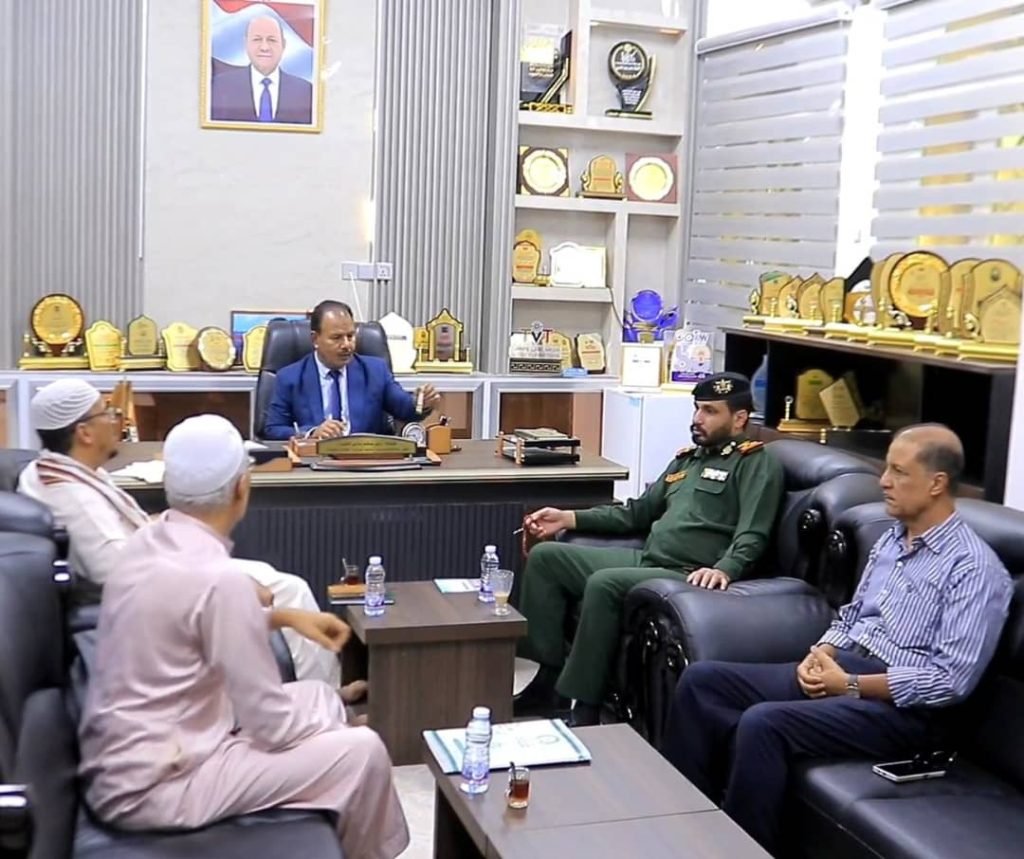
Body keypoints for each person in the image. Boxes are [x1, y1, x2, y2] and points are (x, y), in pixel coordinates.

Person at [662, 424, 1012, 855]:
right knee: (704, 683)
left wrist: (849, 685)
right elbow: (852, 616)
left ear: (937, 483)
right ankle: (679, 828)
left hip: (905, 710)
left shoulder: (974, 569)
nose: (884, 482)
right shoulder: (891, 540)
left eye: (899, 472)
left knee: (765, 723)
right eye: (886, 469)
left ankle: (738, 850)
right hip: (846, 668)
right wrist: (823, 651)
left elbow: (948, 682)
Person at [78, 415, 409, 857]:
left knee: (319, 697)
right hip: (159, 785)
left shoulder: (147, 541)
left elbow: (184, 622)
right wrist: (326, 729)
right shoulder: (221, 580)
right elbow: (271, 725)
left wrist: (282, 620)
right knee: (362, 751)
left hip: (132, 756)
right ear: (242, 488)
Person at [18, 378, 358, 701]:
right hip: (152, 599)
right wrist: (221, 578)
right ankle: (320, 702)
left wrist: (165, 527)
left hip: (166, 569)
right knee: (288, 590)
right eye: (106, 412)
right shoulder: (70, 495)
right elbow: (124, 574)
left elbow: (126, 535)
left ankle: (320, 697)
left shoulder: (63, 471)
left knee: (274, 579)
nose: (115, 418)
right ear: (84, 432)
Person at [514, 372, 785, 726]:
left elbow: (753, 533)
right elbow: (636, 514)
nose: (697, 419)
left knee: (605, 584)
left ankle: (585, 707)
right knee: (547, 558)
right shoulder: (687, 460)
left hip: (689, 573)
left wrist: (726, 568)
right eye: (696, 409)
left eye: (709, 411)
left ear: (739, 418)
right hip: (648, 559)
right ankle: (547, 682)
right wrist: (567, 518)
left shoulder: (755, 463)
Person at [262, 300, 441, 440]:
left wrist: (422, 403)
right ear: (315, 339)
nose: (347, 345)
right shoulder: (290, 377)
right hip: (314, 464)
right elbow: (272, 429)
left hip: (366, 463)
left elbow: (404, 409)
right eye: (337, 338)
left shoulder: (375, 371)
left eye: (350, 336)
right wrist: (311, 433)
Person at [210, 15, 314, 125]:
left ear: (283, 45)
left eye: (272, 40)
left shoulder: (306, 91)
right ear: (246, 44)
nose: (264, 47)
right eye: (257, 39)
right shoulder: (220, 86)